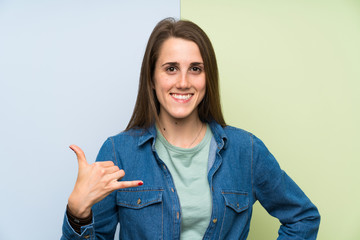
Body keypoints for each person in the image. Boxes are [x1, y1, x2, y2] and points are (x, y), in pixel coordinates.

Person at [61, 18, 320, 240]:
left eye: (195, 69)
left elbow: (303, 217)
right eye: (171, 69)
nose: (183, 82)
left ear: (208, 78)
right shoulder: (119, 152)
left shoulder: (246, 151)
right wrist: (77, 214)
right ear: (152, 78)